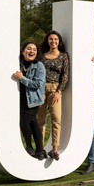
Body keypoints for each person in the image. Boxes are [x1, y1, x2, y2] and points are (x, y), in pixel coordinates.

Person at [37, 31, 69, 161]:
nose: (53, 41)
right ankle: (41, 149)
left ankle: (54, 149)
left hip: (55, 90)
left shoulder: (63, 56)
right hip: (41, 89)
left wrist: (59, 91)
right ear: (47, 41)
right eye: (51, 39)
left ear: (59, 41)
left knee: (56, 119)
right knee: (40, 120)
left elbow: (65, 76)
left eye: (56, 39)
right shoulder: (42, 56)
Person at [13, 42, 47, 160]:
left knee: (23, 123)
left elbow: (38, 84)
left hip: (33, 100)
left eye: (34, 49)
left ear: (36, 53)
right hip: (21, 99)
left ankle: (29, 147)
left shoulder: (39, 66)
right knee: (33, 124)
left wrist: (22, 78)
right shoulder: (19, 63)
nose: (31, 51)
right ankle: (40, 151)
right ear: (23, 51)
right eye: (29, 48)